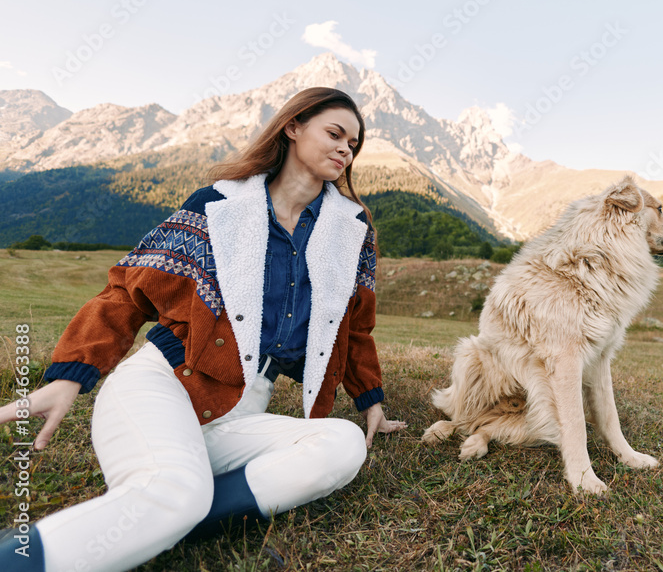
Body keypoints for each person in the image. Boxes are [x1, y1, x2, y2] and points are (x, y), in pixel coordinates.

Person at [0, 87, 407, 571]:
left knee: (339, 444)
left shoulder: (351, 230)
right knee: (173, 492)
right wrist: (70, 377)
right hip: (162, 385)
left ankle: (172, 522)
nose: (346, 149)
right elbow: (127, 291)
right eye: (335, 134)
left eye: (354, 144)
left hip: (238, 411)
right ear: (293, 127)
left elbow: (355, 327)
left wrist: (371, 401)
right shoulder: (219, 206)